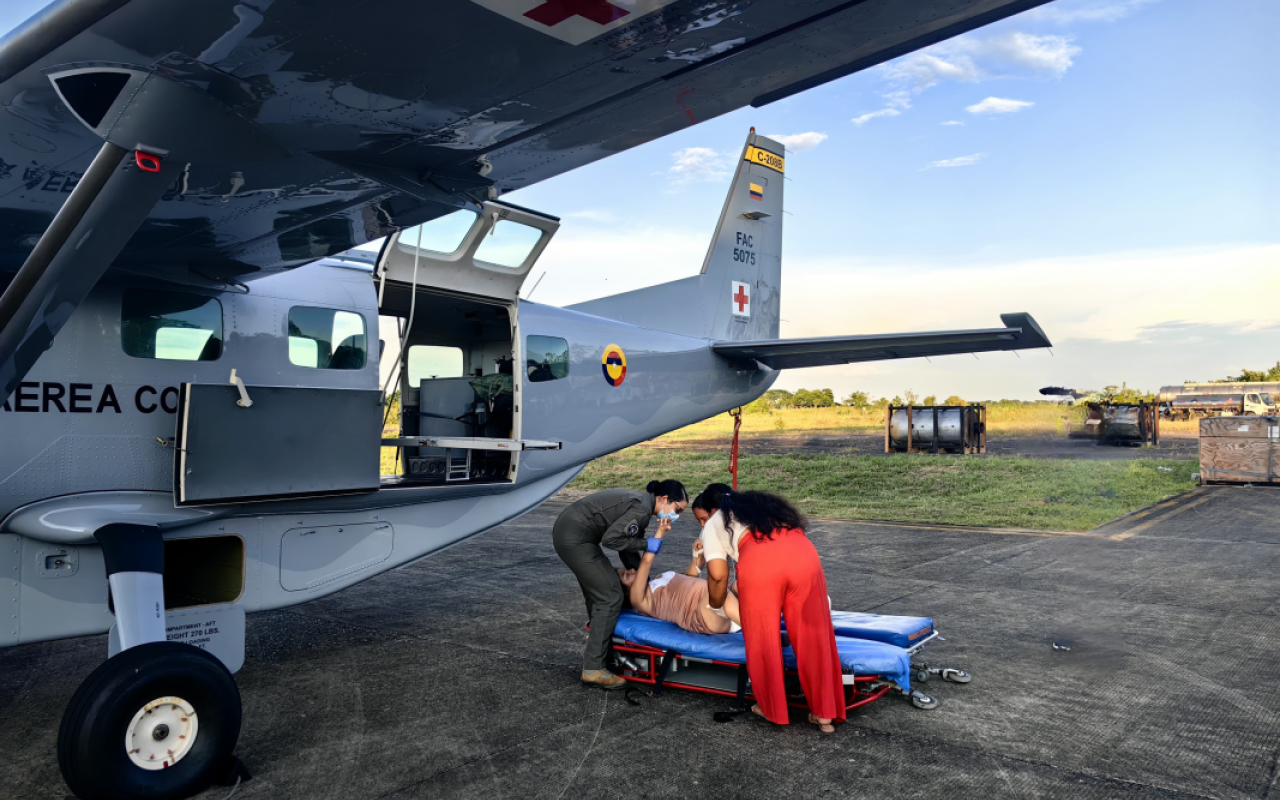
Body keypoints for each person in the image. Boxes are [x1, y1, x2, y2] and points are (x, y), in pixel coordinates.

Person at [722, 490, 844, 734]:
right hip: (802, 555)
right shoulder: (788, 524)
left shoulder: (729, 517)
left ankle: (772, 709)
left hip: (759, 561)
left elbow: (719, 569)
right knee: (815, 635)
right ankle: (824, 716)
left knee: (763, 638)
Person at [552, 479, 688, 690]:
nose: (676, 515)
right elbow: (612, 540)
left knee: (600, 594)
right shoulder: (642, 509)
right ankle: (593, 670)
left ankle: (603, 658)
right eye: (677, 509)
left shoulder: (642, 506)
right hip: (575, 539)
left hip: (572, 533)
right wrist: (648, 544)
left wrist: (646, 585)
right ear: (664, 499)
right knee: (610, 596)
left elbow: (627, 550)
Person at [620, 537, 742, 634]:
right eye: (626, 575)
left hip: (711, 600)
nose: (630, 570)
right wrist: (661, 530)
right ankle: (757, 632)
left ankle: (756, 618)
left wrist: (697, 559)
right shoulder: (637, 600)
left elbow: (688, 580)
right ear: (624, 590)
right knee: (719, 591)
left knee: (742, 583)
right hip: (700, 615)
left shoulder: (657, 579)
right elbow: (646, 562)